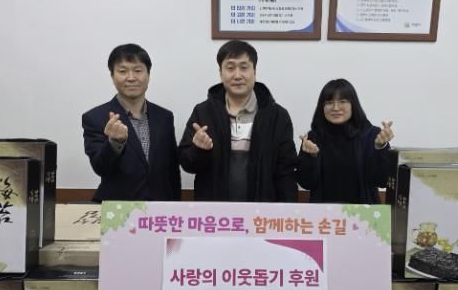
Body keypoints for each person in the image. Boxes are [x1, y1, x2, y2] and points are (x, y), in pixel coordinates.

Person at [178, 40, 297, 202]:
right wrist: (198, 150)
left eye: (244, 67)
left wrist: (287, 211)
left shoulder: (277, 116)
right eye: (230, 68)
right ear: (221, 73)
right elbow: (187, 164)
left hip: (262, 211)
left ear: (254, 71)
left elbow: (286, 172)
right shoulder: (203, 112)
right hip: (214, 212)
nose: (237, 75)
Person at [82, 44, 181, 202]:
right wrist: (114, 143)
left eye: (138, 70)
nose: (131, 77)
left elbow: (172, 170)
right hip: (118, 210)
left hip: (159, 209)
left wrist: (175, 207)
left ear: (148, 75)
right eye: (123, 71)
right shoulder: (95, 118)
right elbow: (100, 167)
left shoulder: (164, 117)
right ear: (112, 76)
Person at [297, 79, 394, 204]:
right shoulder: (313, 137)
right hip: (323, 213)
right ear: (322, 107)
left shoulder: (372, 135)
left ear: (353, 104)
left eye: (342, 101)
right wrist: (312, 157)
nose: (336, 108)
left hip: (364, 213)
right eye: (329, 102)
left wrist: (380, 148)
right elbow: (305, 183)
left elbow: (382, 181)